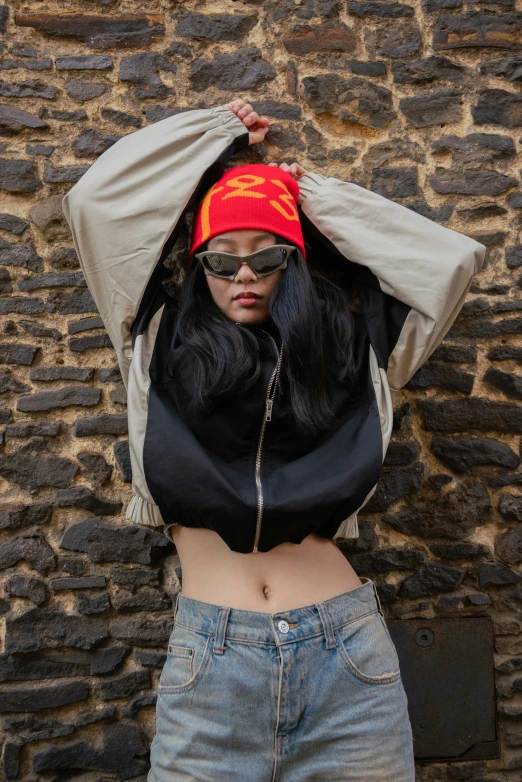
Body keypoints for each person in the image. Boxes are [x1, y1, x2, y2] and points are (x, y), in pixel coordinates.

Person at [62, 98, 486, 781]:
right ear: (197, 261)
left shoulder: (358, 350)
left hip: (347, 657)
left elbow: (453, 261)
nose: (245, 278)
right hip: (213, 666)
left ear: (296, 259)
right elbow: (95, 203)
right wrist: (216, 134)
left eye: (266, 258)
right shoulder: (152, 339)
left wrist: (306, 199)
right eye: (222, 261)